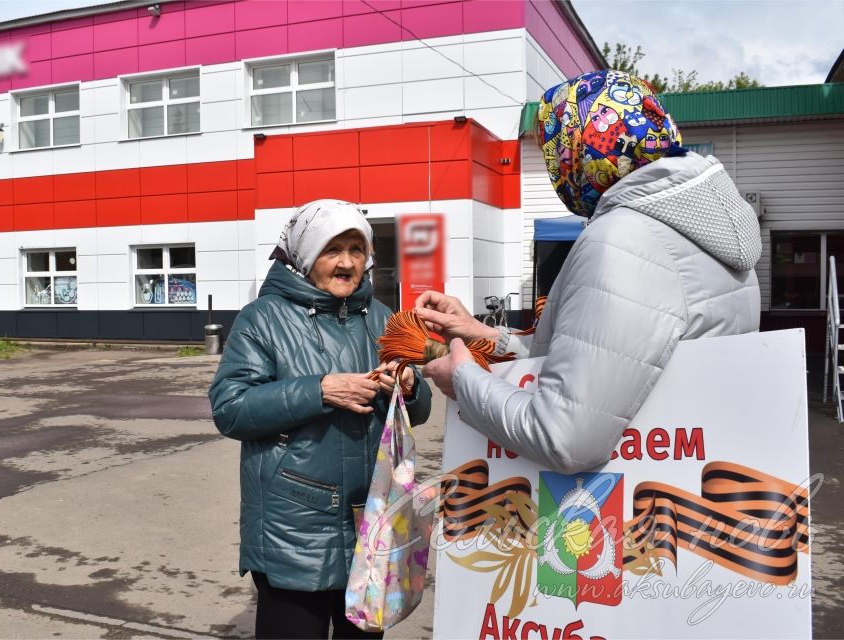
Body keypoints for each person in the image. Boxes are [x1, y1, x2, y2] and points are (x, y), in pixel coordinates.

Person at [418, 70, 761, 474]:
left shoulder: (622, 238)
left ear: (579, 148)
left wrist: (463, 380)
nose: (554, 172)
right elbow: (617, 359)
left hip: (630, 520)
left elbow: (565, 439)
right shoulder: (706, 228)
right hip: (695, 494)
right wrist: (489, 337)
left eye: (553, 152)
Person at [209, 199, 433, 639]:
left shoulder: (383, 319)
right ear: (307, 255)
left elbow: (420, 409)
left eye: (357, 248)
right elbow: (230, 408)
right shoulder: (263, 320)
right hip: (295, 524)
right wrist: (320, 390)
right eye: (333, 250)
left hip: (370, 520)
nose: (348, 262)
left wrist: (409, 386)